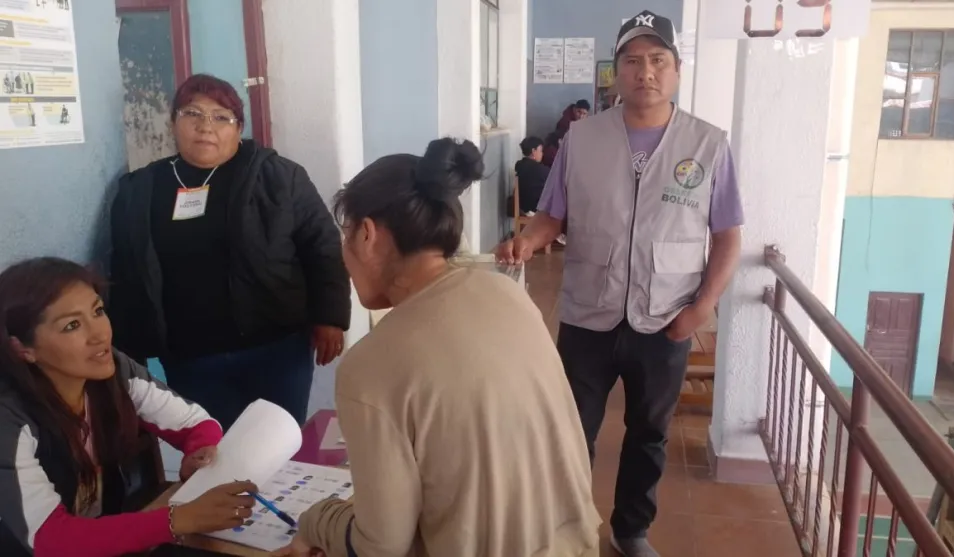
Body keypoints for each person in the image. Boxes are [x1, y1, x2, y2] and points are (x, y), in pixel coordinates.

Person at [273, 138, 600, 557]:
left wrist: (316, 521)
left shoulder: (370, 365)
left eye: (346, 235)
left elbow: (380, 546)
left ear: (367, 234)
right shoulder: (507, 295)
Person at [496, 11, 744, 557]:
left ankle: (630, 530)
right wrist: (527, 241)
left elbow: (727, 237)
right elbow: (551, 217)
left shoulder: (708, 145)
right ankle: (565, 526)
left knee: (649, 433)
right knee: (570, 430)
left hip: (667, 319)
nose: (645, 72)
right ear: (615, 72)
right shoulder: (581, 139)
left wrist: (701, 308)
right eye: (632, 61)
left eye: (658, 61)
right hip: (589, 313)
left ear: (676, 70)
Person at [108, 74, 351, 430]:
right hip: (190, 358)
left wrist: (330, 316)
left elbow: (322, 245)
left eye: (221, 117)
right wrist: (129, 351)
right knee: (216, 452)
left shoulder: (279, 177)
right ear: (173, 121)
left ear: (238, 128)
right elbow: (127, 270)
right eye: (192, 113)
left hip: (276, 349)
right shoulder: (140, 190)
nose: (205, 126)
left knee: (277, 445)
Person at [0, 257, 259, 557]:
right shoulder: (10, 420)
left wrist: (199, 452)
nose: (100, 335)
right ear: (22, 349)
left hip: (105, 541)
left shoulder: (111, 371)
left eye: (98, 311)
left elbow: (196, 423)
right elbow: (48, 539)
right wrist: (180, 518)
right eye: (72, 325)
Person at [514, 136, 550, 214]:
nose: (542, 154)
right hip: (537, 209)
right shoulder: (541, 170)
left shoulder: (519, 166)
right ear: (533, 151)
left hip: (523, 207)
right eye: (540, 151)